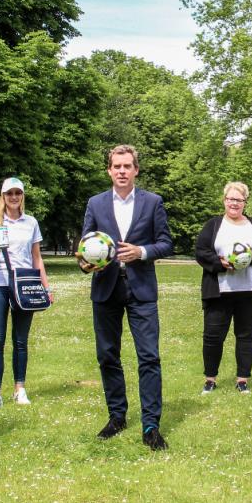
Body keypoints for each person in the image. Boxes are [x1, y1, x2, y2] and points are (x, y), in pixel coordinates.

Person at [78, 145, 174, 451]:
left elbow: (166, 243)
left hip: (141, 289)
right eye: (116, 166)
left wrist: (141, 252)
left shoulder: (153, 202)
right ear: (109, 170)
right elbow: (83, 247)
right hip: (106, 288)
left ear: (136, 170)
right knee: (108, 355)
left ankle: (150, 425)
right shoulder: (95, 203)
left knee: (149, 356)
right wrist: (84, 263)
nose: (121, 171)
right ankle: (117, 416)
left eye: (127, 166)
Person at [194, 182, 252, 394]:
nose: (234, 203)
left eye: (238, 200)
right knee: (213, 337)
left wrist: (250, 258)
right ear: (224, 200)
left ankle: (242, 380)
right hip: (219, 291)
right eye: (230, 199)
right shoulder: (213, 225)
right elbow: (201, 252)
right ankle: (210, 379)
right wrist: (218, 263)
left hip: (250, 291)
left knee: (246, 336)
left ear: (244, 202)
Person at [0, 177, 52, 411]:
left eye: (17, 193)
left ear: (22, 196)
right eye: (9, 193)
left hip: (24, 285)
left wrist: (45, 286)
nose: (13, 197)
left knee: (21, 341)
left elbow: (36, 257)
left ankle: (20, 388)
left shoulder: (30, 222)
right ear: (3, 196)